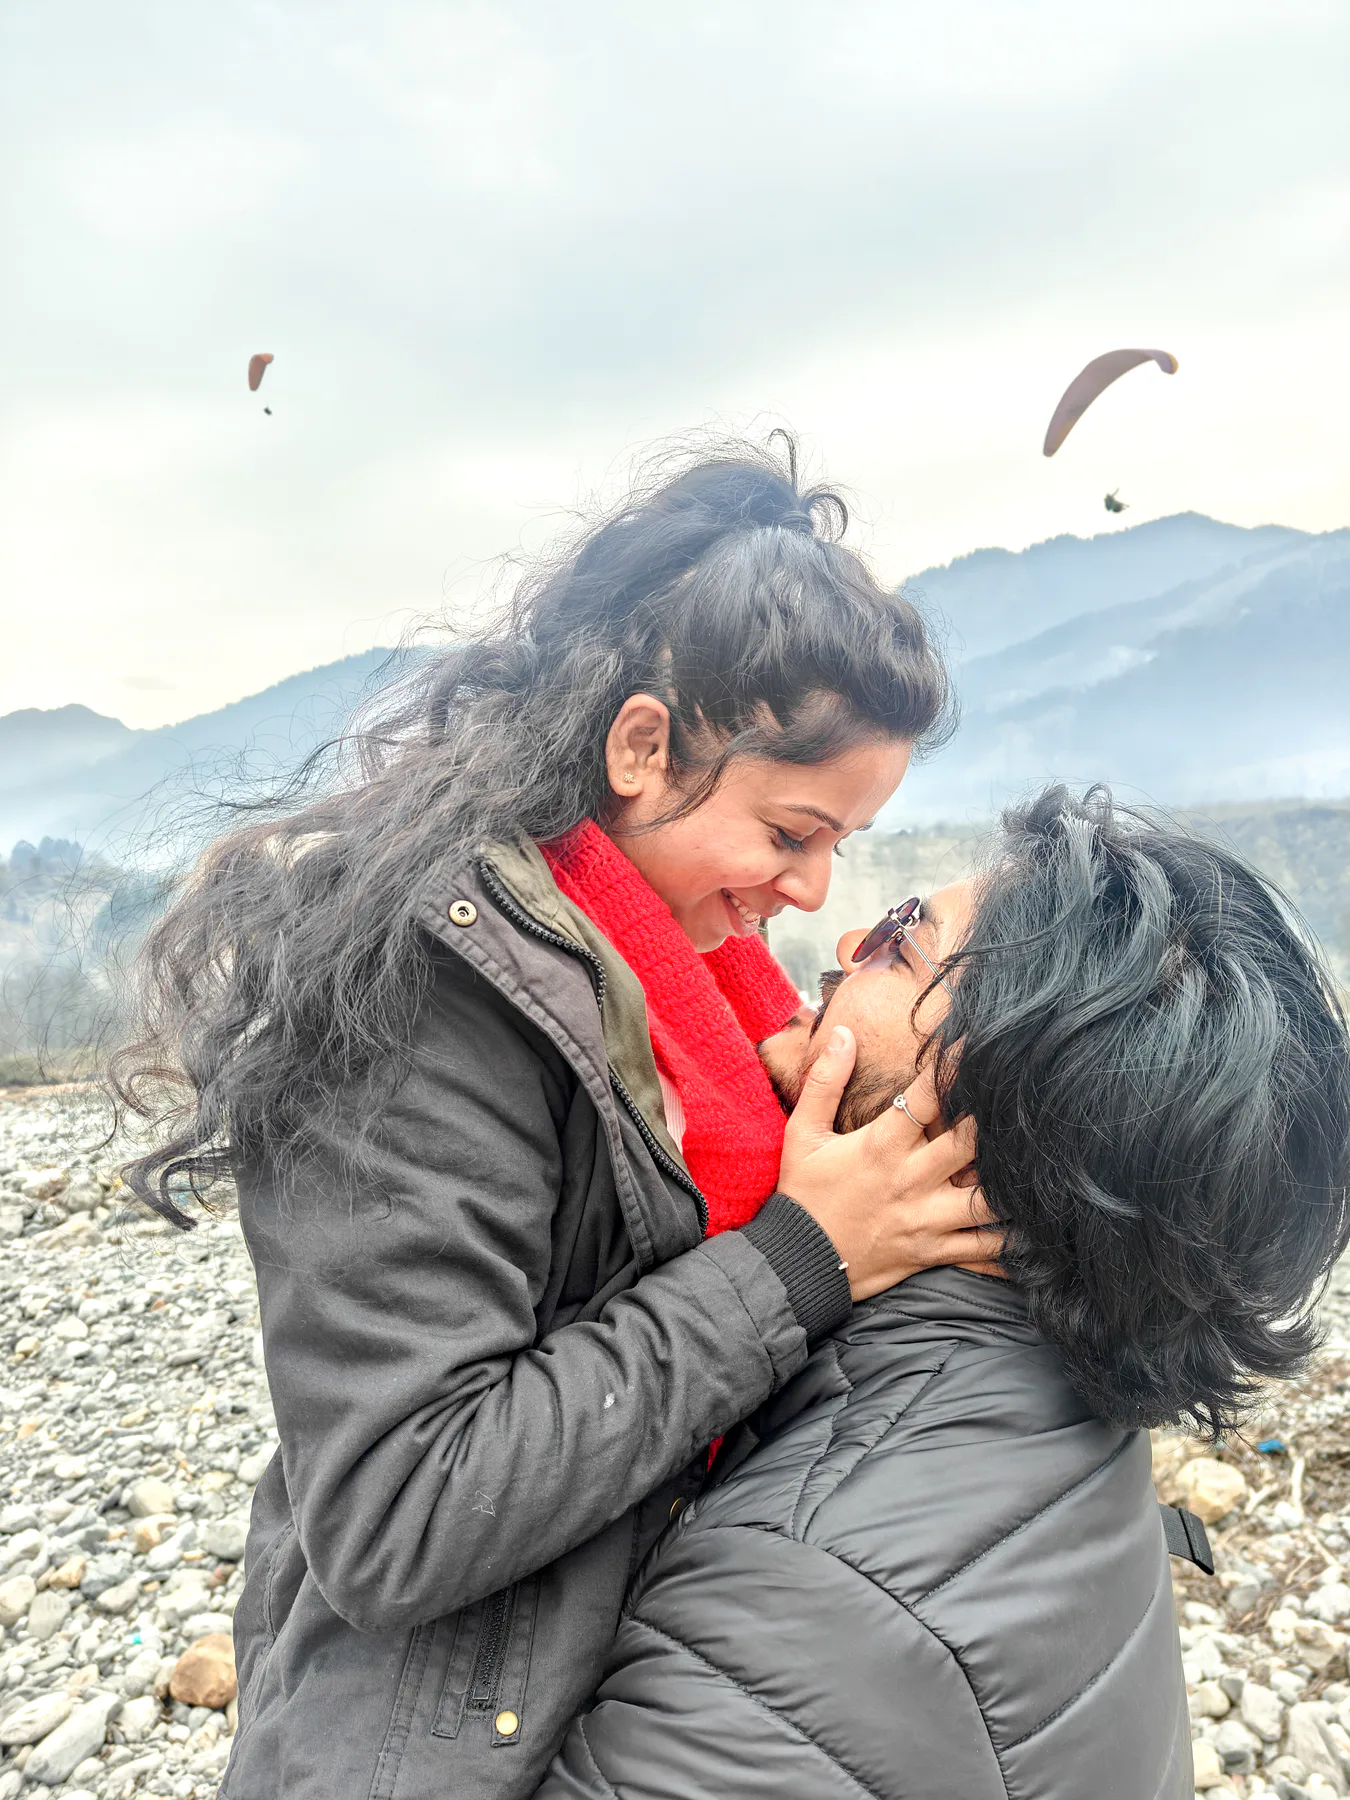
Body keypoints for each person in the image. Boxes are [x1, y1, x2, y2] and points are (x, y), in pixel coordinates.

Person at [112, 440, 1001, 1800]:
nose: (813, 892)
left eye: (842, 844)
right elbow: (400, 1512)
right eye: (787, 833)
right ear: (641, 746)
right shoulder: (420, 991)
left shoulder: (695, 993)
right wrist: (800, 1258)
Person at [535, 786, 1350, 1800]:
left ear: (992, 1117)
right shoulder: (1064, 1418)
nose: (841, 939)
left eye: (894, 940)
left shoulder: (807, 1622)